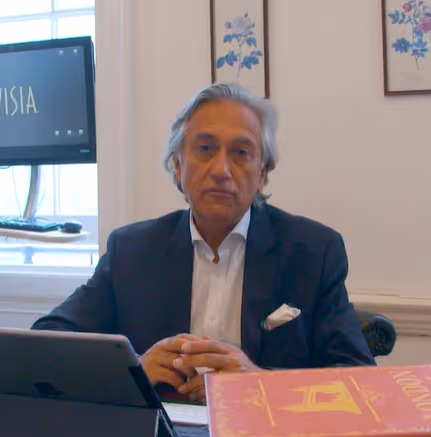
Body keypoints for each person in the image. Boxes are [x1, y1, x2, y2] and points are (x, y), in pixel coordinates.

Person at [32, 83, 374, 401]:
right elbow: (47, 342)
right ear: (178, 166)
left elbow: (360, 380)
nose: (221, 170)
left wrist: (259, 382)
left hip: (263, 432)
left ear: (261, 174)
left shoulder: (312, 252)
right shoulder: (131, 251)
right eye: (206, 149)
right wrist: (133, 369)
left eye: (241, 153)